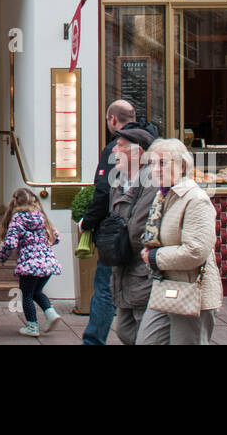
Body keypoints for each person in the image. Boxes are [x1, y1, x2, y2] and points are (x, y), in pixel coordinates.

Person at [77, 99, 160, 345]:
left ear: (112, 119)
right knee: (127, 312)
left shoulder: (144, 173)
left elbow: (104, 194)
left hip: (126, 245)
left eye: (119, 147)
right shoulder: (136, 162)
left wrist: (91, 223)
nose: (115, 150)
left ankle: (93, 341)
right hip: (133, 245)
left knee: (108, 290)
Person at [136, 137, 222, 345]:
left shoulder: (196, 199)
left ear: (181, 165)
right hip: (165, 286)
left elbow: (196, 251)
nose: (155, 169)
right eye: (152, 163)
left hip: (191, 291)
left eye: (162, 163)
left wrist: (154, 257)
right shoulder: (163, 196)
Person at [107, 125, 157, 345]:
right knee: (125, 330)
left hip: (141, 266)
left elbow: (138, 226)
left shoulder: (150, 181)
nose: (114, 152)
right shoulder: (118, 180)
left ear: (138, 153)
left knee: (141, 330)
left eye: (120, 147)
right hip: (123, 265)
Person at [0, 187, 63, 337]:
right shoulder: (41, 216)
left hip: (29, 265)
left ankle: (32, 327)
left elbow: (10, 244)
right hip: (47, 262)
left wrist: (1, 258)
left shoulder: (17, 219)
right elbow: (56, 237)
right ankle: (51, 314)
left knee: (26, 294)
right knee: (37, 291)